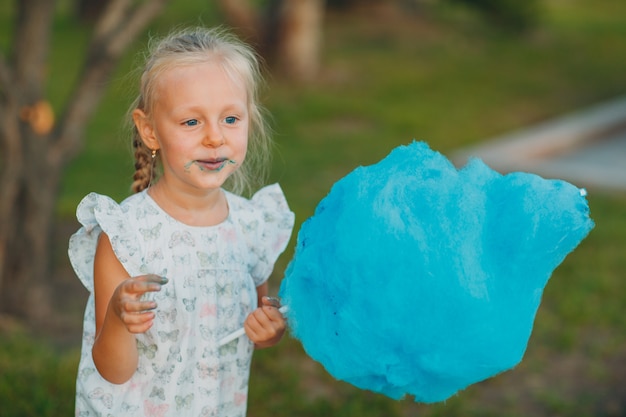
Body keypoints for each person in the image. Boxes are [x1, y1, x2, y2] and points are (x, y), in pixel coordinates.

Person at [68, 26, 295, 417]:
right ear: (150, 130)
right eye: (191, 122)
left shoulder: (250, 226)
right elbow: (112, 370)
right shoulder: (127, 235)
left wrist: (270, 329)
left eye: (230, 119)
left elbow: (259, 321)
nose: (214, 138)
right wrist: (121, 320)